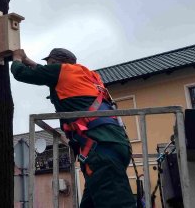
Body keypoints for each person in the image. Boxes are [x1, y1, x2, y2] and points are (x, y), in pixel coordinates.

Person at [11, 48, 136, 208]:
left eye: (49, 64)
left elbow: (21, 73)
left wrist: (16, 58)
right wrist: (28, 60)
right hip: (116, 146)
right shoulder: (89, 75)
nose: (47, 68)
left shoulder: (60, 72)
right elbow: (45, 72)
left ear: (55, 63)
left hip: (100, 151)